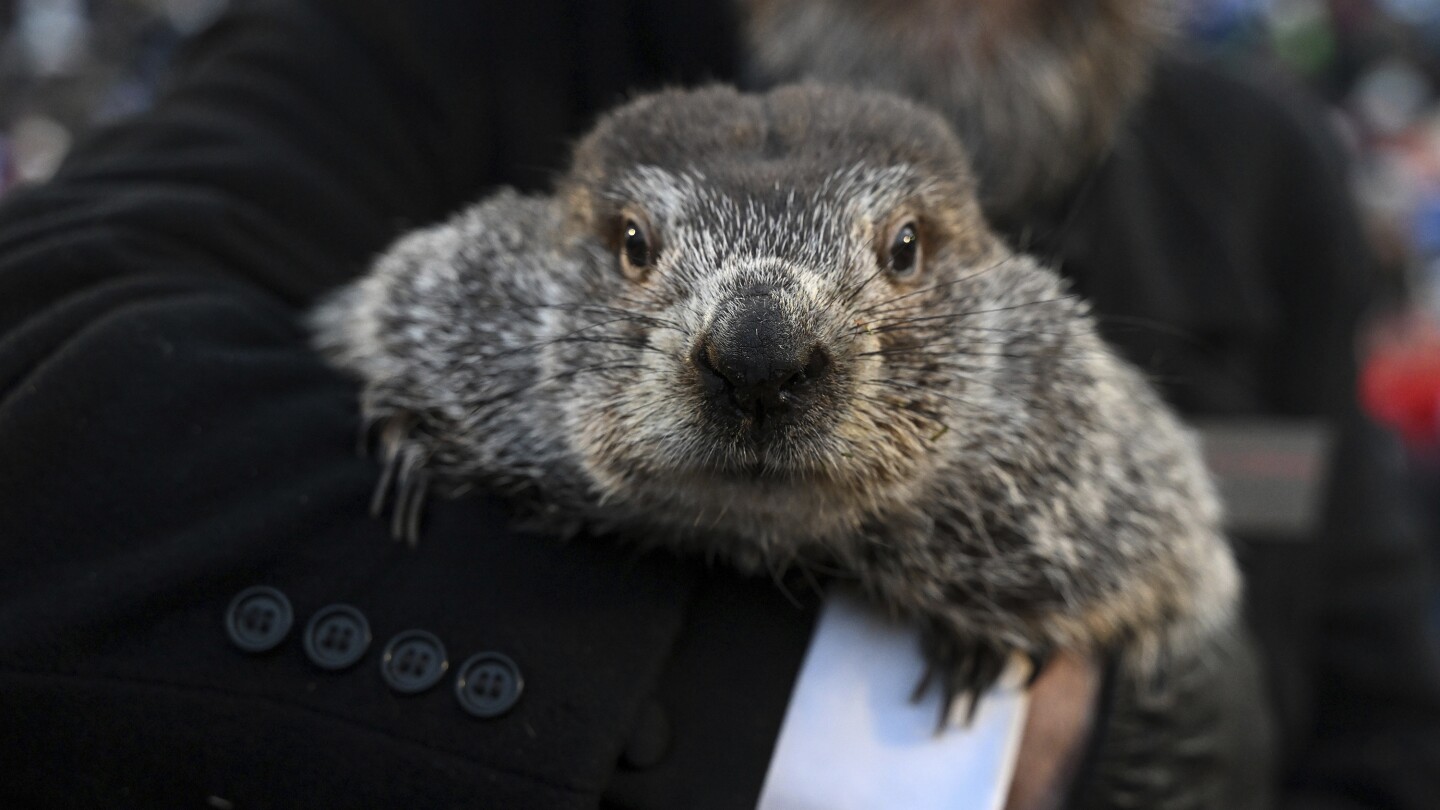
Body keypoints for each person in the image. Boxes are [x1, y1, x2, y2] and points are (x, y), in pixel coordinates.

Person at [0, 1, 1436, 807]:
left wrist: (1165, 730)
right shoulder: (427, 43)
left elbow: (1379, 711)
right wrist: (896, 740)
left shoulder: (1266, 178)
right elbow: (51, 374)